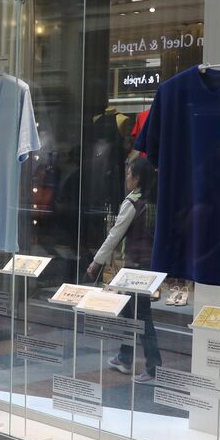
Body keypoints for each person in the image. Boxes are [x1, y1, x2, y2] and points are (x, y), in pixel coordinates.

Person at [87, 155, 161, 383]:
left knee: (141, 316)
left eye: (129, 174)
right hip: (149, 263)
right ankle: (125, 357)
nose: (126, 178)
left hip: (135, 265)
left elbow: (114, 235)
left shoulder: (132, 203)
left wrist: (96, 261)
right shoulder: (154, 201)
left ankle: (153, 366)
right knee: (130, 312)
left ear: (137, 178)